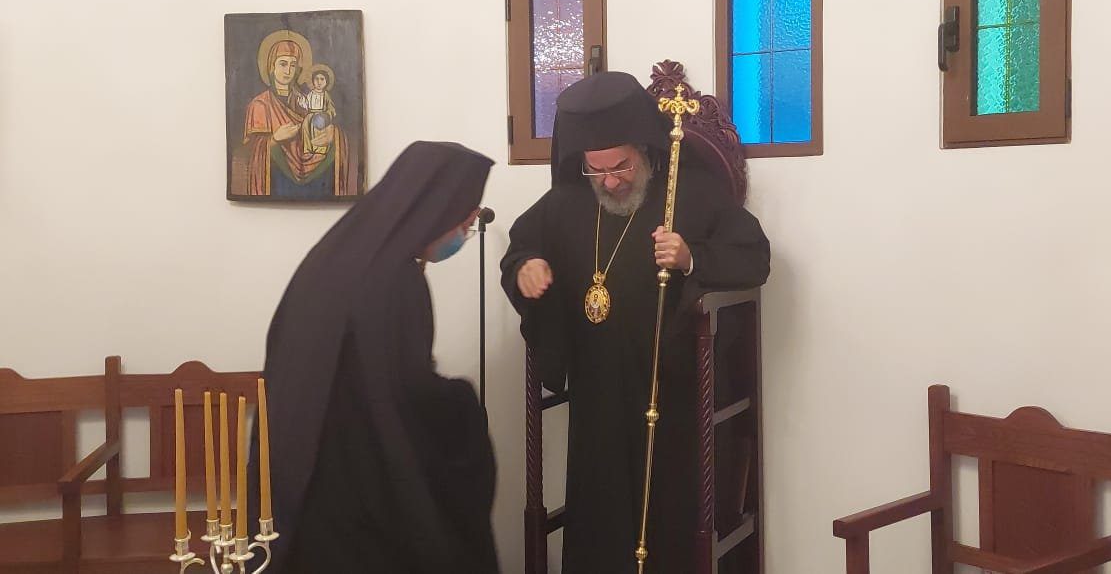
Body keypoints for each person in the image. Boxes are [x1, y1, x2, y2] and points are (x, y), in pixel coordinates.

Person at [501, 71, 771, 573]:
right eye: (596, 169)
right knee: (600, 520)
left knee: (667, 520)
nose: (609, 181)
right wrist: (526, 267)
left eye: (620, 165)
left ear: (643, 149)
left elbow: (754, 256)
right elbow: (521, 245)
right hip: (596, 395)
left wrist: (691, 257)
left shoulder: (689, 192)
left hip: (674, 394)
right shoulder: (568, 200)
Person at [251, 141, 500, 574]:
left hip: (303, 475)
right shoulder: (396, 279)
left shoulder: (335, 256)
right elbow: (407, 391)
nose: (464, 231)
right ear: (437, 208)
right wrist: (462, 402)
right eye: (466, 219)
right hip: (363, 488)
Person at [240, 33, 352, 197]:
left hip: (317, 180)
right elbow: (250, 152)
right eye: (283, 64)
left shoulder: (304, 101)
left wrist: (333, 135)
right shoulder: (260, 104)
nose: (288, 71)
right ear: (271, 66)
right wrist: (274, 139)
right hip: (278, 179)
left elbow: (318, 123)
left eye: (293, 65)